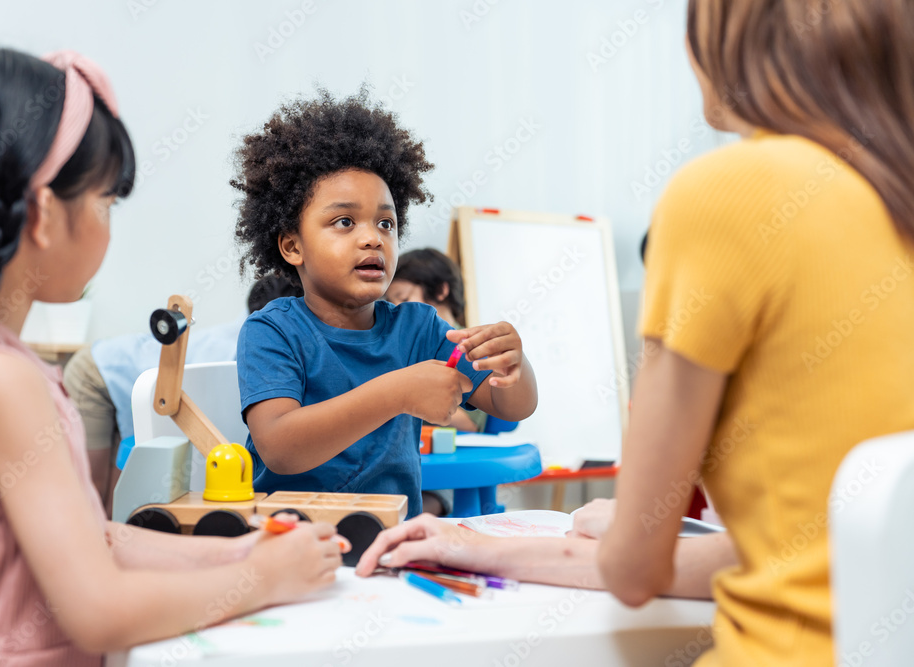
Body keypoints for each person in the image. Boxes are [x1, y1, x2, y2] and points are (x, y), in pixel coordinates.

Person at [365, 2, 914, 665]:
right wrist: (479, 545)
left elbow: (634, 568)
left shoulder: (728, 194)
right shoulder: (890, 196)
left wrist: (622, 529)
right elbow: (780, 552)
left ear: (727, 27)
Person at [0, 49, 345, 665]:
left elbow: (96, 540)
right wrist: (268, 580)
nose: (109, 225)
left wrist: (246, 551)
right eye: (105, 202)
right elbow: (99, 612)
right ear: (40, 213)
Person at [232, 89, 539, 518]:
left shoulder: (420, 328)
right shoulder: (273, 331)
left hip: (392, 541)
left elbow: (513, 406)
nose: (373, 237)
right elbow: (281, 448)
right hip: (292, 542)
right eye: (344, 222)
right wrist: (397, 393)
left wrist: (514, 368)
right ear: (291, 245)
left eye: (386, 223)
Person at [63, 274, 302, 509]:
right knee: (90, 490)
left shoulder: (253, 335)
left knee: (118, 495)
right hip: (97, 374)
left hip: (137, 384)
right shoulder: (240, 350)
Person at [385, 248, 487, 516]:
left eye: (403, 299)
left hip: (447, 473)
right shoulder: (402, 346)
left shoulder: (469, 347)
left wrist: (407, 396)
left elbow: (471, 423)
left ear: (440, 291)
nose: (396, 310)